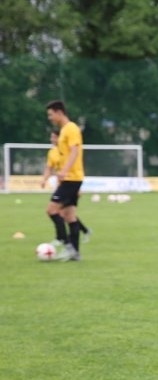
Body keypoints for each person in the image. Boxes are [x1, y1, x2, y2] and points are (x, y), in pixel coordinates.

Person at [45, 100, 85, 261]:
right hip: (70, 179)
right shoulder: (63, 131)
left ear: (59, 112)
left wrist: (64, 171)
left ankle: (68, 246)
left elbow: (75, 152)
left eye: (50, 114)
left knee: (52, 210)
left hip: (71, 178)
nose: (49, 118)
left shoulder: (71, 128)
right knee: (70, 216)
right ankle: (75, 253)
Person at [40, 130, 92, 245]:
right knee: (66, 214)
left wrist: (77, 189)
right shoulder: (52, 152)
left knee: (61, 213)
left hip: (70, 185)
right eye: (51, 137)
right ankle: (81, 234)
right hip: (62, 186)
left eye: (54, 137)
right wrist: (44, 179)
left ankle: (63, 239)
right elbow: (49, 168)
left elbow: (74, 169)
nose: (52, 140)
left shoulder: (68, 151)